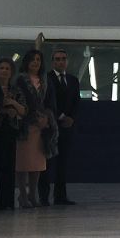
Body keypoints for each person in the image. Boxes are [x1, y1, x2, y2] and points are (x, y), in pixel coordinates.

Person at [9, 52, 54, 208]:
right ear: (26, 61)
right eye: (33, 60)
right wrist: (35, 117)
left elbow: (48, 102)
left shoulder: (44, 81)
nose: (35, 63)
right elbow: (22, 101)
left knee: (37, 164)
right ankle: (22, 194)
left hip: (41, 127)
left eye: (38, 60)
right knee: (23, 163)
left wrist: (46, 119)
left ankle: (32, 194)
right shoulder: (20, 79)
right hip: (25, 126)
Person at [40, 48, 80, 205]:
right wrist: (60, 116)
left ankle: (60, 196)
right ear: (52, 62)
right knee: (47, 163)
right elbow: (47, 102)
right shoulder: (47, 79)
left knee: (63, 163)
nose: (61, 61)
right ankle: (43, 197)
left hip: (67, 127)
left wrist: (72, 118)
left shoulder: (73, 80)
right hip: (51, 125)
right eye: (57, 59)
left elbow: (76, 103)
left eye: (63, 58)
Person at [0, 57, 19, 209]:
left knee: (8, 165)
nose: (4, 71)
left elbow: (23, 109)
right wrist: (3, 111)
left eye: (7, 69)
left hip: (10, 130)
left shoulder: (15, 90)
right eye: (1, 68)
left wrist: (13, 107)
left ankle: (7, 201)